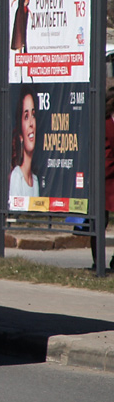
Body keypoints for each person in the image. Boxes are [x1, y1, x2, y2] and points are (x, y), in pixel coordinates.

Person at [93, 88, 114, 271]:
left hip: (110, 180)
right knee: (100, 221)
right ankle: (98, 261)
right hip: (104, 178)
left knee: (103, 220)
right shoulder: (104, 122)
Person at [9, 87, 40, 199]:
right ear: (20, 135)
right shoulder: (17, 176)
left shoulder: (35, 180)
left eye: (33, 115)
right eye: (26, 117)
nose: (31, 123)